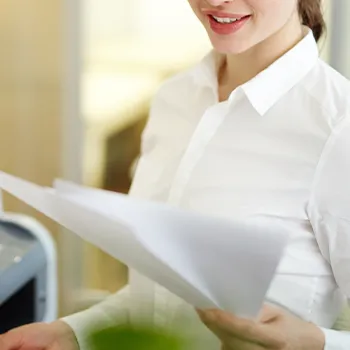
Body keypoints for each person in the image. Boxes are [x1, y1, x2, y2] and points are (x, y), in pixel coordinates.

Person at [1, 0, 349, 349]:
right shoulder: (175, 98)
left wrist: (314, 342)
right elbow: (160, 291)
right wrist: (76, 333)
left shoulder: (337, 127)